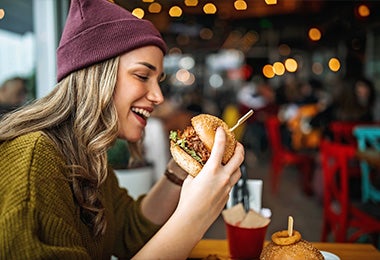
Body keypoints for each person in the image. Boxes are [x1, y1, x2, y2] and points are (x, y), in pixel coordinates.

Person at [0, 0, 244, 259]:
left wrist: (178, 171)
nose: (159, 97)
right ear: (95, 75)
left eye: (159, 81)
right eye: (142, 76)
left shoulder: (85, 156)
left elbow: (129, 231)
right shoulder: (34, 161)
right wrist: (195, 218)